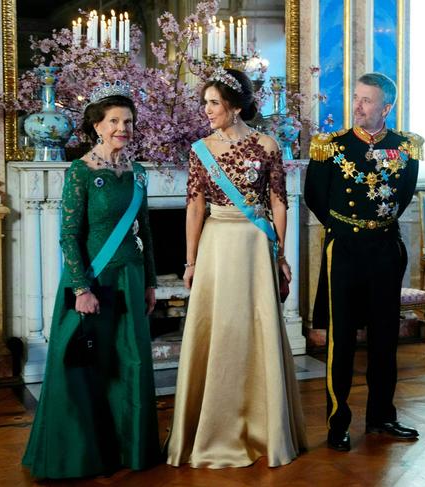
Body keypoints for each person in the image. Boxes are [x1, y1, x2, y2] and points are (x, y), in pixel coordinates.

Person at [166, 68, 306, 469]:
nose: (206, 109)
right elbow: (194, 206)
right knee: (220, 327)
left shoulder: (267, 145)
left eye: (213, 102)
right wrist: (190, 262)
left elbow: (279, 202)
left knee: (256, 326)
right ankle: (212, 430)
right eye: (205, 102)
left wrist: (279, 254)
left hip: (254, 245)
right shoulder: (200, 149)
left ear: (236, 105)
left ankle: (265, 427)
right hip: (216, 244)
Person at [22, 81, 161, 478]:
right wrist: (81, 288)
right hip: (91, 279)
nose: (123, 128)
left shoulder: (137, 172)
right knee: (83, 365)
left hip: (130, 278)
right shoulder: (80, 172)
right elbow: (68, 235)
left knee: (130, 362)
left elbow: (146, 232)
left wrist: (150, 282)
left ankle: (129, 449)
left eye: (129, 121)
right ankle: (78, 455)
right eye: (114, 121)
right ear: (97, 126)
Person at [304, 72, 423, 452]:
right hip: (346, 250)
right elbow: (315, 198)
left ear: (386, 107)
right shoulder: (330, 146)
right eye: (356, 97)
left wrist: (375, 228)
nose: (357, 105)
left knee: (385, 337)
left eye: (367, 100)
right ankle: (338, 421)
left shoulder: (405, 147)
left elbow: (403, 195)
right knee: (341, 341)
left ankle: (381, 417)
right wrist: (350, 228)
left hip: (385, 249)